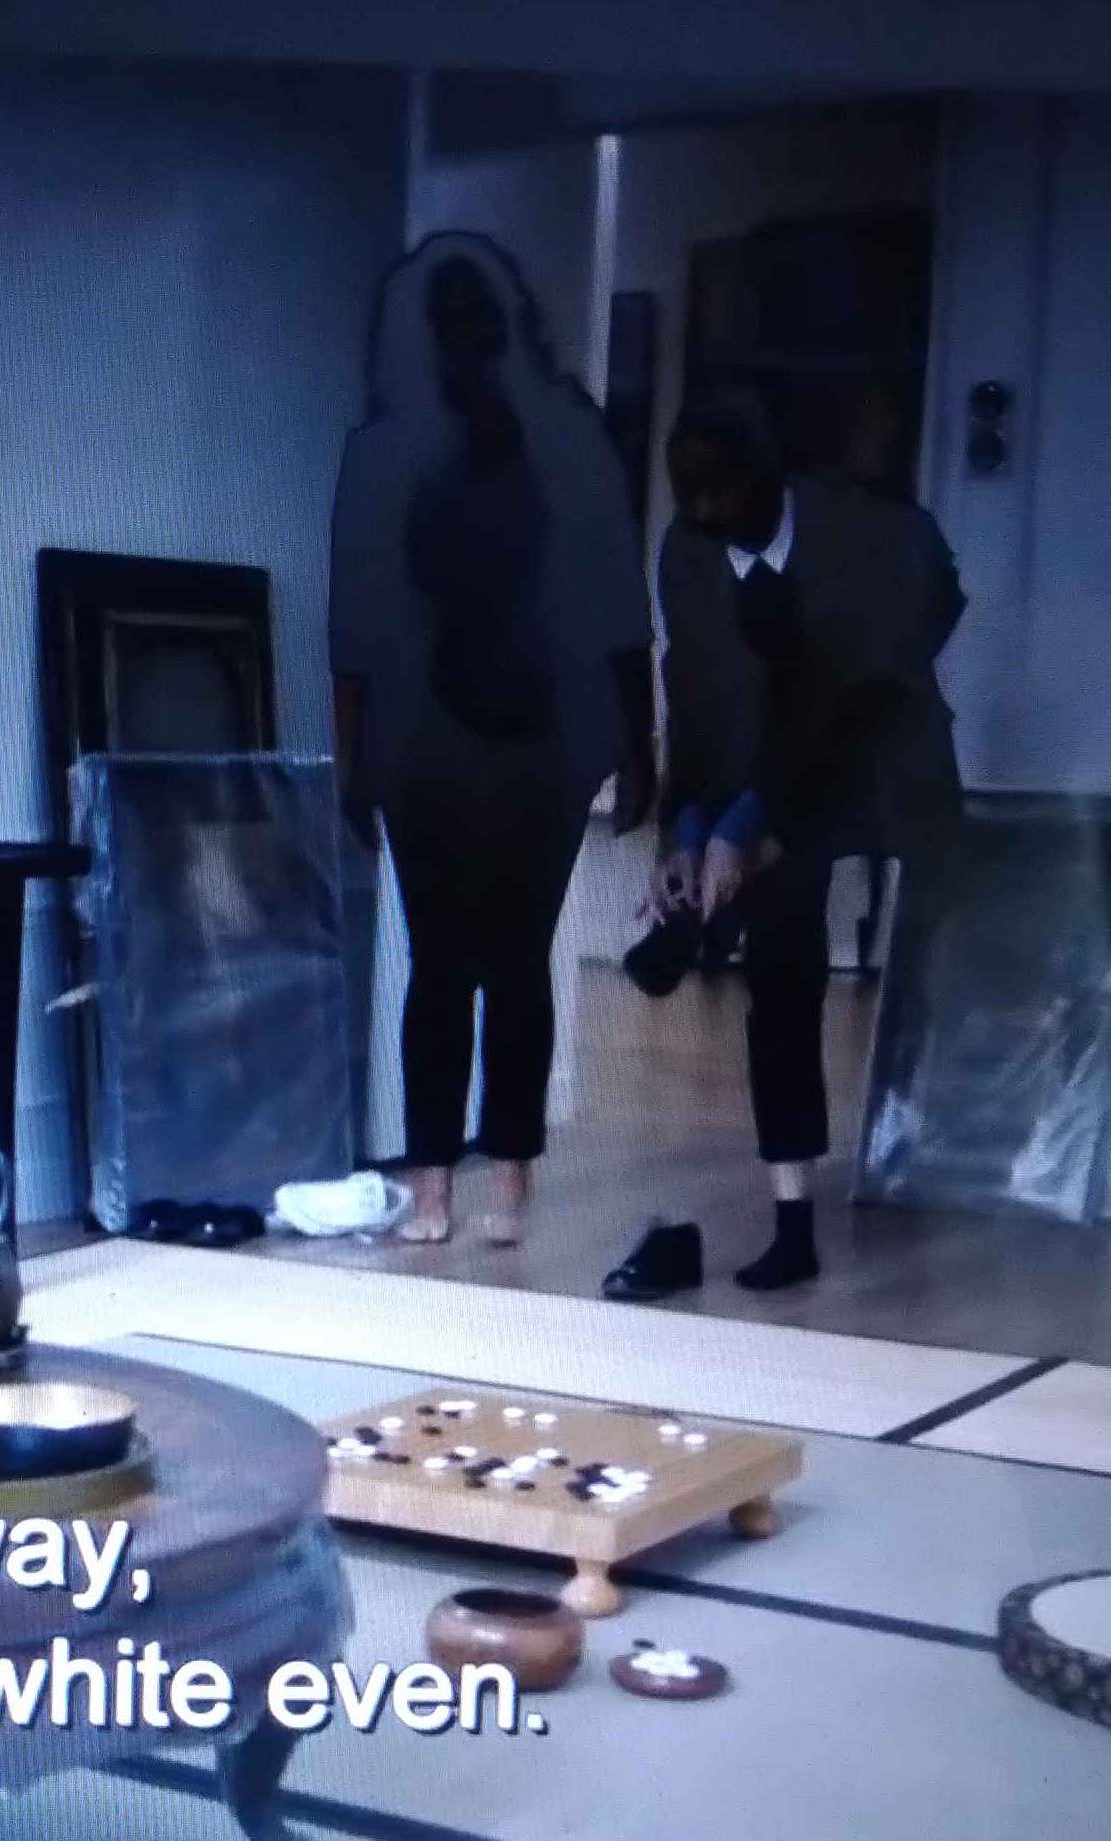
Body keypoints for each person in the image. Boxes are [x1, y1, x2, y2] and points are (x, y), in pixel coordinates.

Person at [331, 232, 656, 1248]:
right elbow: (353, 627)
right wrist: (353, 768)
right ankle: (468, 1181)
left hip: (514, 738)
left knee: (480, 961)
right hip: (462, 737)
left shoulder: (540, 439)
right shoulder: (405, 450)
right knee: (476, 960)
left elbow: (617, 603)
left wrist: (641, 746)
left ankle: (476, 1180)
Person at [605, 388, 965, 1298]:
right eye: (687, 494)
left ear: (767, 478)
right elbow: (694, 694)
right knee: (779, 966)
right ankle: (792, 1218)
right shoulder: (689, 551)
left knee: (842, 924)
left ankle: (909, 1168)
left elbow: (843, 707)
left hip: (872, 745)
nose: (703, 511)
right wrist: (688, 835)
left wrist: (752, 829)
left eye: (719, 492)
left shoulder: (861, 541)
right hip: (760, 750)